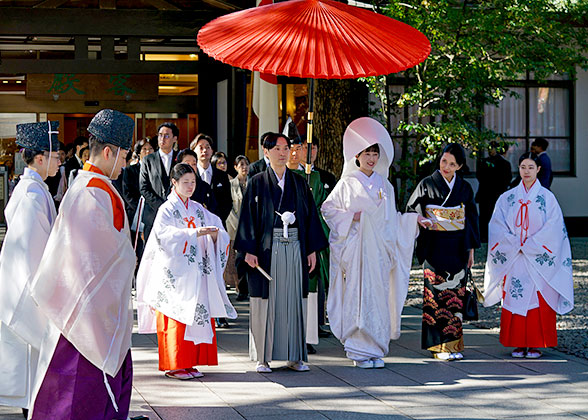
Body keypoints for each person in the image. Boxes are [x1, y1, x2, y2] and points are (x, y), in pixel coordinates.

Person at [27, 109, 137, 419]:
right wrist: (127, 256)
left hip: (89, 311)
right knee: (77, 394)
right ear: (107, 151)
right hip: (85, 314)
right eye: (125, 156)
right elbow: (91, 262)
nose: (126, 164)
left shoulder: (93, 187)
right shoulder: (91, 191)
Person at [321, 117, 424, 368]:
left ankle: (376, 348)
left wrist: (414, 221)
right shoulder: (347, 183)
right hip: (356, 251)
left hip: (378, 252)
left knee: (378, 297)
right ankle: (357, 350)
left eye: (374, 153)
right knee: (357, 296)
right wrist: (352, 217)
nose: (371, 158)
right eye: (366, 152)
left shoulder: (384, 186)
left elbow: (392, 220)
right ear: (356, 156)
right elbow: (328, 210)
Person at [234, 132, 328, 373]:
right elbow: (248, 219)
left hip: (295, 248)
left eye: (286, 148)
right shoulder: (257, 182)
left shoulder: (298, 183)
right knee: (265, 302)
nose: (283, 152)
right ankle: (262, 357)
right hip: (266, 250)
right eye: (277, 148)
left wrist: (311, 250)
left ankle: (295, 356)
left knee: (294, 300)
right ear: (266, 152)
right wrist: (248, 250)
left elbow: (309, 218)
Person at [136, 163, 237, 379]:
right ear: (174, 183)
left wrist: (215, 234)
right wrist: (192, 234)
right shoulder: (167, 209)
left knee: (194, 315)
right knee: (177, 316)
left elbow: (217, 225)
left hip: (195, 272)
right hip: (175, 275)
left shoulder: (197, 208)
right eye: (185, 182)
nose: (190, 186)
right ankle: (175, 364)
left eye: (193, 182)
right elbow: (163, 236)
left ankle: (190, 362)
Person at [483, 152, 573, 359]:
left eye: (531, 167)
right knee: (515, 297)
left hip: (537, 259)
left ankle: (535, 344)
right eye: (523, 167)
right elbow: (496, 225)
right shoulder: (507, 198)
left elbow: (555, 228)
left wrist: (531, 245)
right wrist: (514, 243)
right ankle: (517, 344)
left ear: (538, 170)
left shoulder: (548, 198)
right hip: (515, 257)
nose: (526, 171)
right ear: (519, 168)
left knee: (538, 299)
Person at [0, 121, 60, 415]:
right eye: (56, 155)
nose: (60, 160)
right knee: (32, 370)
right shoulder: (33, 195)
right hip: (28, 291)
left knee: (34, 372)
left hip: (24, 286)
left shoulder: (33, 189)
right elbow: (33, 255)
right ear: (40, 158)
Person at [406, 143, 481, 361]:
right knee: (435, 297)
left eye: (452, 164)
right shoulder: (426, 184)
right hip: (434, 245)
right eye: (444, 161)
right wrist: (420, 219)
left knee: (456, 296)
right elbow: (412, 210)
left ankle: (453, 344)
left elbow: (471, 220)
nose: (446, 167)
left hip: (457, 246)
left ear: (460, 166)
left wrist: (470, 250)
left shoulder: (465, 188)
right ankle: (438, 346)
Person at [140, 122, 179, 240]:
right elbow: (143, 187)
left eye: (166, 135)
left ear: (175, 139)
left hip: (176, 215)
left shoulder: (180, 158)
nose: (162, 138)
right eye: (160, 135)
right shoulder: (148, 160)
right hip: (152, 214)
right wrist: (161, 206)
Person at [476, 141, 512, 242]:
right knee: (494, 216)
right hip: (497, 193)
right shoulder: (504, 163)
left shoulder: (484, 162)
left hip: (486, 193)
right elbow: (507, 179)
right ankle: (494, 237)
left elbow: (479, 176)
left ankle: (484, 237)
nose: (489, 151)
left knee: (484, 216)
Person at [192, 134, 232, 224]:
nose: (205, 150)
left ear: (212, 151)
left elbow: (228, 202)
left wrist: (216, 220)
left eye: (208, 147)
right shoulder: (191, 176)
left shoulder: (222, 175)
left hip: (218, 223)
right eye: (201, 148)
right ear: (194, 151)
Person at [226, 155, 250, 301]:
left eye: (246, 164)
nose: (244, 167)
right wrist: (240, 226)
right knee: (239, 259)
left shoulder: (253, 182)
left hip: (252, 228)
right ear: (235, 167)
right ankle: (242, 289)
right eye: (241, 164)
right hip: (236, 228)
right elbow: (230, 209)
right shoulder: (231, 185)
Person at [176, 148, 218, 213]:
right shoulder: (174, 186)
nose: (191, 167)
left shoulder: (204, 187)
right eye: (187, 164)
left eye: (194, 164)